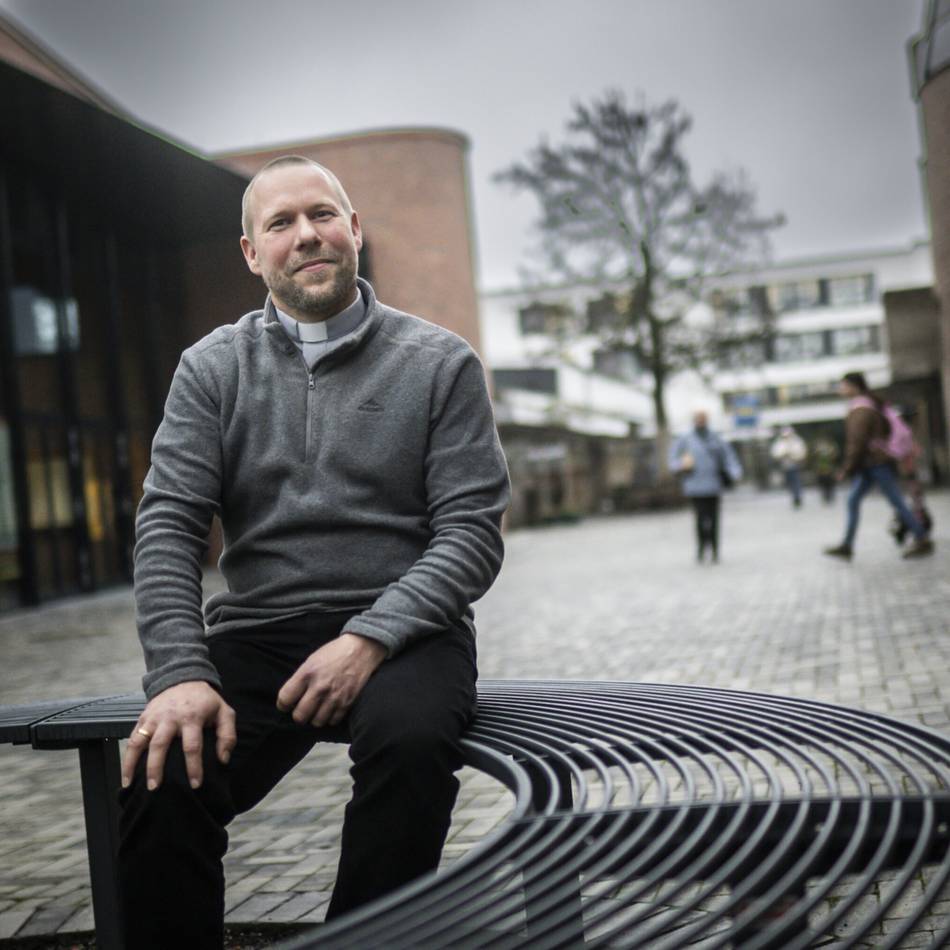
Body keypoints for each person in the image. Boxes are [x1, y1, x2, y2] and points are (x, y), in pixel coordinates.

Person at [117, 156, 511, 948]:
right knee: (164, 773)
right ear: (251, 253)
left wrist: (367, 639)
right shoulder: (211, 369)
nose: (307, 236)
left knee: (410, 748)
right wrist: (181, 675)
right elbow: (168, 525)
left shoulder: (440, 363)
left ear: (355, 229)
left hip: (406, 633)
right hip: (259, 629)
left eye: (323, 215)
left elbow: (470, 533)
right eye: (281, 223)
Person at [823, 372, 932, 561]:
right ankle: (847, 545)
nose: (840, 389)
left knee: (895, 501)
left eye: (843, 385)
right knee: (854, 500)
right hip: (871, 464)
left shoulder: (861, 409)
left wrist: (846, 469)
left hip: (876, 464)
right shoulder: (869, 404)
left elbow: (857, 442)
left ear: (854, 386)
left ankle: (922, 538)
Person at [669, 410, 743, 563]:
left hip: (713, 485)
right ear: (694, 421)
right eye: (698, 419)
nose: (701, 422)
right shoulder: (685, 439)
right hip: (694, 486)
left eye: (703, 419)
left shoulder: (716, 438)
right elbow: (673, 460)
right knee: (700, 519)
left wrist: (735, 473)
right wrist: (681, 466)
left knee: (714, 519)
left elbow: (729, 457)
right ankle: (702, 548)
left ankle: (715, 549)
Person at [770, 426, 807, 507]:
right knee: (790, 482)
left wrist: (794, 455)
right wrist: (783, 454)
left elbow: (801, 452)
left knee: (796, 481)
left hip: (795, 465)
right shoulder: (780, 443)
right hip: (785, 466)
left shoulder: (797, 441)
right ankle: (794, 496)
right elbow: (776, 454)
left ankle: (797, 497)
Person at [811, 436, 839, 504]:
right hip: (821, 469)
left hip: (829, 469)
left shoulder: (831, 447)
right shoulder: (817, 449)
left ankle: (830, 496)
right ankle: (825, 496)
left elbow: (835, 456)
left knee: (830, 484)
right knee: (823, 484)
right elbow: (814, 457)